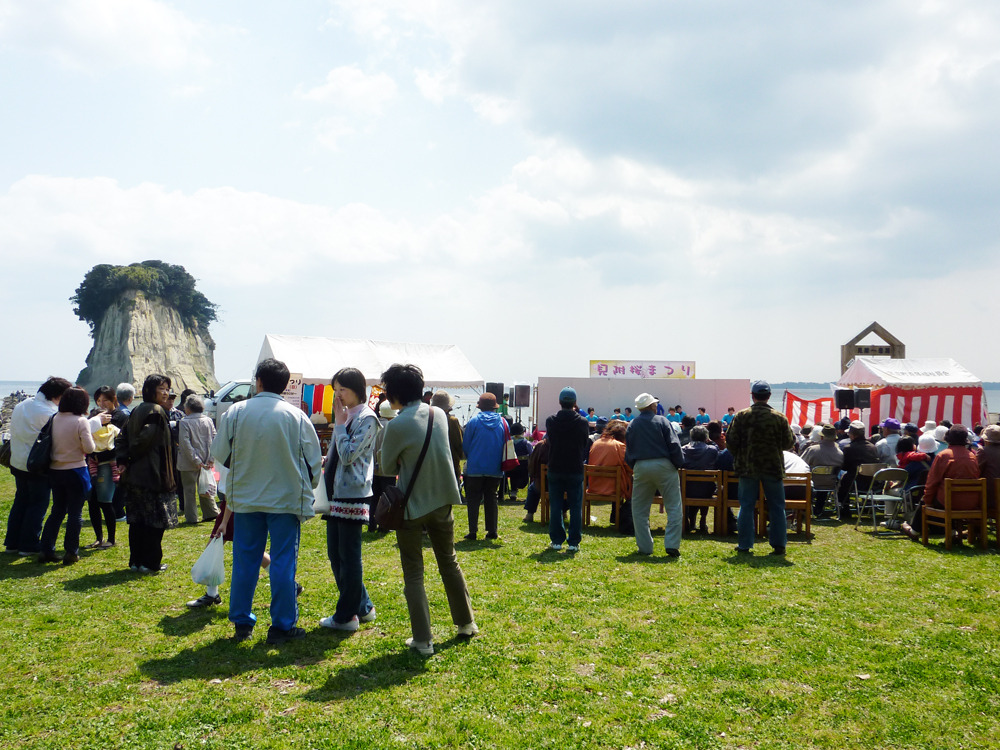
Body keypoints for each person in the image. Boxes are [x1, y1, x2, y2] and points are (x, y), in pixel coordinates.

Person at [211, 358, 322, 644]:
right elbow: (313, 463)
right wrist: (306, 486)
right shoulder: (296, 416)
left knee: (245, 561)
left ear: (258, 381)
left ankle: (242, 622)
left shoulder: (236, 412)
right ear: (285, 386)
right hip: (285, 500)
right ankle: (283, 626)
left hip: (246, 498)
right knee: (284, 562)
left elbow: (220, 453)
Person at [379, 363, 476, 656]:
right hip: (444, 498)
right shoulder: (439, 415)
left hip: (411, 504)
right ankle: (466, 623)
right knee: (449, 561)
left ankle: (423, 640)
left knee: (413, 571)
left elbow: (386, 466)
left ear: (393, 394)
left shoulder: (396, 425)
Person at [319, 367, 379, 633]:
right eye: (336, 389)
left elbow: (350, 455)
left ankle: (347, 616)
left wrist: (340, 426)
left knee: (349, 556)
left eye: (343, 389)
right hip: (336, 493)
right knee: (336, 554)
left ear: (358, 389)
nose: (339, 395)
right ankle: (363, 607)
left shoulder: (367, 418)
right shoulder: (347, 415)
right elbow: (339, 455)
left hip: (353, 494)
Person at [117, 374, 180, 573]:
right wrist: (130, 457)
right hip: (153, 476)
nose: (165, 392)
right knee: (155, 522)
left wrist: (123, 459)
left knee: (137, 522)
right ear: (149, 390)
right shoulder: (157, 411)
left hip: (135, 477)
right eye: (161, 388)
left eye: (167, 388)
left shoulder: (136, 409)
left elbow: (121, 437)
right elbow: (144, 440)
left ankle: (136, 561)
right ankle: (150, 562)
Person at [726, 380, 795, 556]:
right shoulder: (779, 417)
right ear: (769, 396)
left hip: (747, 467)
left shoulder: (741, 416)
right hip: (773, 467)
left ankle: (744, 545)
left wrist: (741, 456)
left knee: (746, 506)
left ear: (753, 396)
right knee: (777, 507)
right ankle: (779, 545)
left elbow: (731, 441)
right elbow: (789, 443)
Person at [4, 378, 73, 556]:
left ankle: (12, 543)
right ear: (58, 396)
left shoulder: (23, 405)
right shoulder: (48, 412)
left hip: (18, 462)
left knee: (21, 501)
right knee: (37, 504)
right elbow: (68, 429)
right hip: (36, 465)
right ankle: (28, 545)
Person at [38, 387, 96, 565]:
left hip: (56, 470)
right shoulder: (80, 421)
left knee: (57, 511)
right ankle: (71, 551)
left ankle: (46, 549)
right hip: (75, 470)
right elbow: (89, 448)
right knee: (75, 513)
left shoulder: (54, 418)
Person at [625, 393, 684, 557]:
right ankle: (672, 544)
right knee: (673, 507)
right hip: (664, 465)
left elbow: (628, 450)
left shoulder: (632, 424)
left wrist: (635, 466)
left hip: (641, 466)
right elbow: (674, 444)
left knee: (639, 509)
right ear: (652, 406)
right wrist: (677, 464)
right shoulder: (663, 421)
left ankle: (645, 547)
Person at [901, 425, 980, 541]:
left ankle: (914, 531)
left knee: (926, 500)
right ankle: (952, 532)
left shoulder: (943, 455)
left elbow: (932, 481)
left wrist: (927, 500)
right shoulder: (973, 456)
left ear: (948, 438)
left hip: (948, 501)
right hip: (971, 502)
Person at [544, 387, 590, 552]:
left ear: (560, 402)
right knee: (576, 506)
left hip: (555, 466)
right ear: (575, 403)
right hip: (575, 468)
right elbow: (585, 444)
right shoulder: (583, 422)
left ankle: (556, 540)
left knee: (555, 505)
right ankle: (573, 542)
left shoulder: (551, 421)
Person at [462, 393, 505, 541]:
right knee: (491, 497)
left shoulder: (473, 421)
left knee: (473, 499)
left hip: (475, 467)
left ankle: (473, 531)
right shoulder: (503, 422)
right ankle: (492, 531)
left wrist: (472, 457)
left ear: (480, 407)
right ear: (495, 407)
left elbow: (466, 445)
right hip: (495, 468)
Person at [84, 385, 121, 548]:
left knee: (105, 502)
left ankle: (111, 539)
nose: (101, 403)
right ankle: (99, 538)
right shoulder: (94, 417)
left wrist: (101, 455)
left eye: (105, 399)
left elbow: (122, 444)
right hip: (92, 465)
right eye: (98, 400)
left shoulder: (119, 418)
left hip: (107, 466)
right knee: (92, 502)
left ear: (114, 399)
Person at [177, 394, 220, 524]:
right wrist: (211, 458)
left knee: (189, 491)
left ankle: (192, 517)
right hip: (207, 460)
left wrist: (196, 460)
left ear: (188, 408)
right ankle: (211, 512)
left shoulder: (184, 422)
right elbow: (215, 438)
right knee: (206, 487)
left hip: (189, 462)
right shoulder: (208, 420)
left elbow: (185, 443)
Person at [588, 419, 633, 531]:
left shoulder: (595, 443)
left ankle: (614, 517)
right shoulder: (619, 446)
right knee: (627, 479)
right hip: (614, 489)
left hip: (593, 487)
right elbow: (631, 468)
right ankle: (620, 518)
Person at [837, 420, 880, 517]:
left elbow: (845, 466)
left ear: (852, 434)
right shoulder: (873, 447)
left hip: (856, 481)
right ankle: (866, 505)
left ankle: (845, 507)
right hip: (872, 481)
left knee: (844, 480)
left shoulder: (849, 448)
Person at [681, 425, 719, 533]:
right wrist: (711, 442)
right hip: (706, 489)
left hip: (686, 489)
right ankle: (703, 518)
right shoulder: (712, 450)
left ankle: (690, 520)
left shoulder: (683, 450)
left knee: (692, 486)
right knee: (705, 485)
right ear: (706, 437)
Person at [800, 424, 844, 516]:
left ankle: (805, 508)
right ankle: (818, 509)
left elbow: (801, 463)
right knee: (824, 480)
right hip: (831, 484)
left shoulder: (813, 450)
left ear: (821, 436)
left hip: (812, 482)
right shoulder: (840, 453)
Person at [369, 400, 398, 531]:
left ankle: (371, 523)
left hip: (373, 468)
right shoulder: (392, 427)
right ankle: (384, 524)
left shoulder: (375, 425)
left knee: (374, 497)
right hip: (388, 468)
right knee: (387, 498)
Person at [110, 382, 136, 522]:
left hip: (108, 451)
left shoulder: (112, 411)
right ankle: (118, 511)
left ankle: (115, 509)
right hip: (120, 452)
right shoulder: (126, 414)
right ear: (131, 398)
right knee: (120, 483)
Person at [431, 390, 464, 485]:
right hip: (450, 462)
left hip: (432, 463)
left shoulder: (429, 418)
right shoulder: (452, 420)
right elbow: (458, 444)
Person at [522, 437, 548, 523]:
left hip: (542, 484)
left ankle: (530, 514)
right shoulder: (565, 444)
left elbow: (532, 465)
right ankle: (563, 512)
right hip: (563, 485)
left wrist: (533, 475)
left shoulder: (541, 445)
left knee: (532, 489)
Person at [976, 425, 1000, 513]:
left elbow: (976, 471)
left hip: (989, 498)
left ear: (986, 440)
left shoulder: (983, 451)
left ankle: (977, 526)